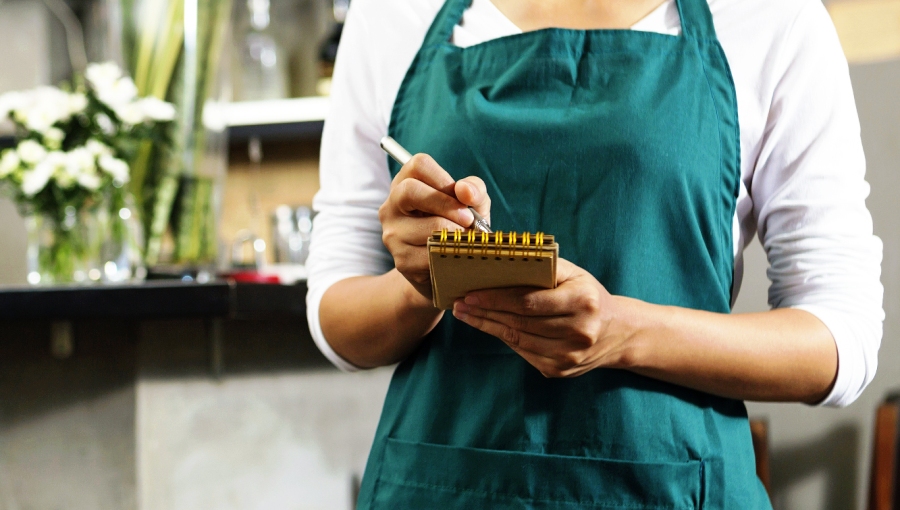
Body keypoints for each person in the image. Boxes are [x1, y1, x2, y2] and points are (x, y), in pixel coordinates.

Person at [307, 0, 884, 507]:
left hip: (669, 492)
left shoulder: (773, 18)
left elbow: (840, 341)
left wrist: (626, 332)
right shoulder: (392, 13)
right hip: (438, 487)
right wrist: (421, 283)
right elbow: (336, 320)